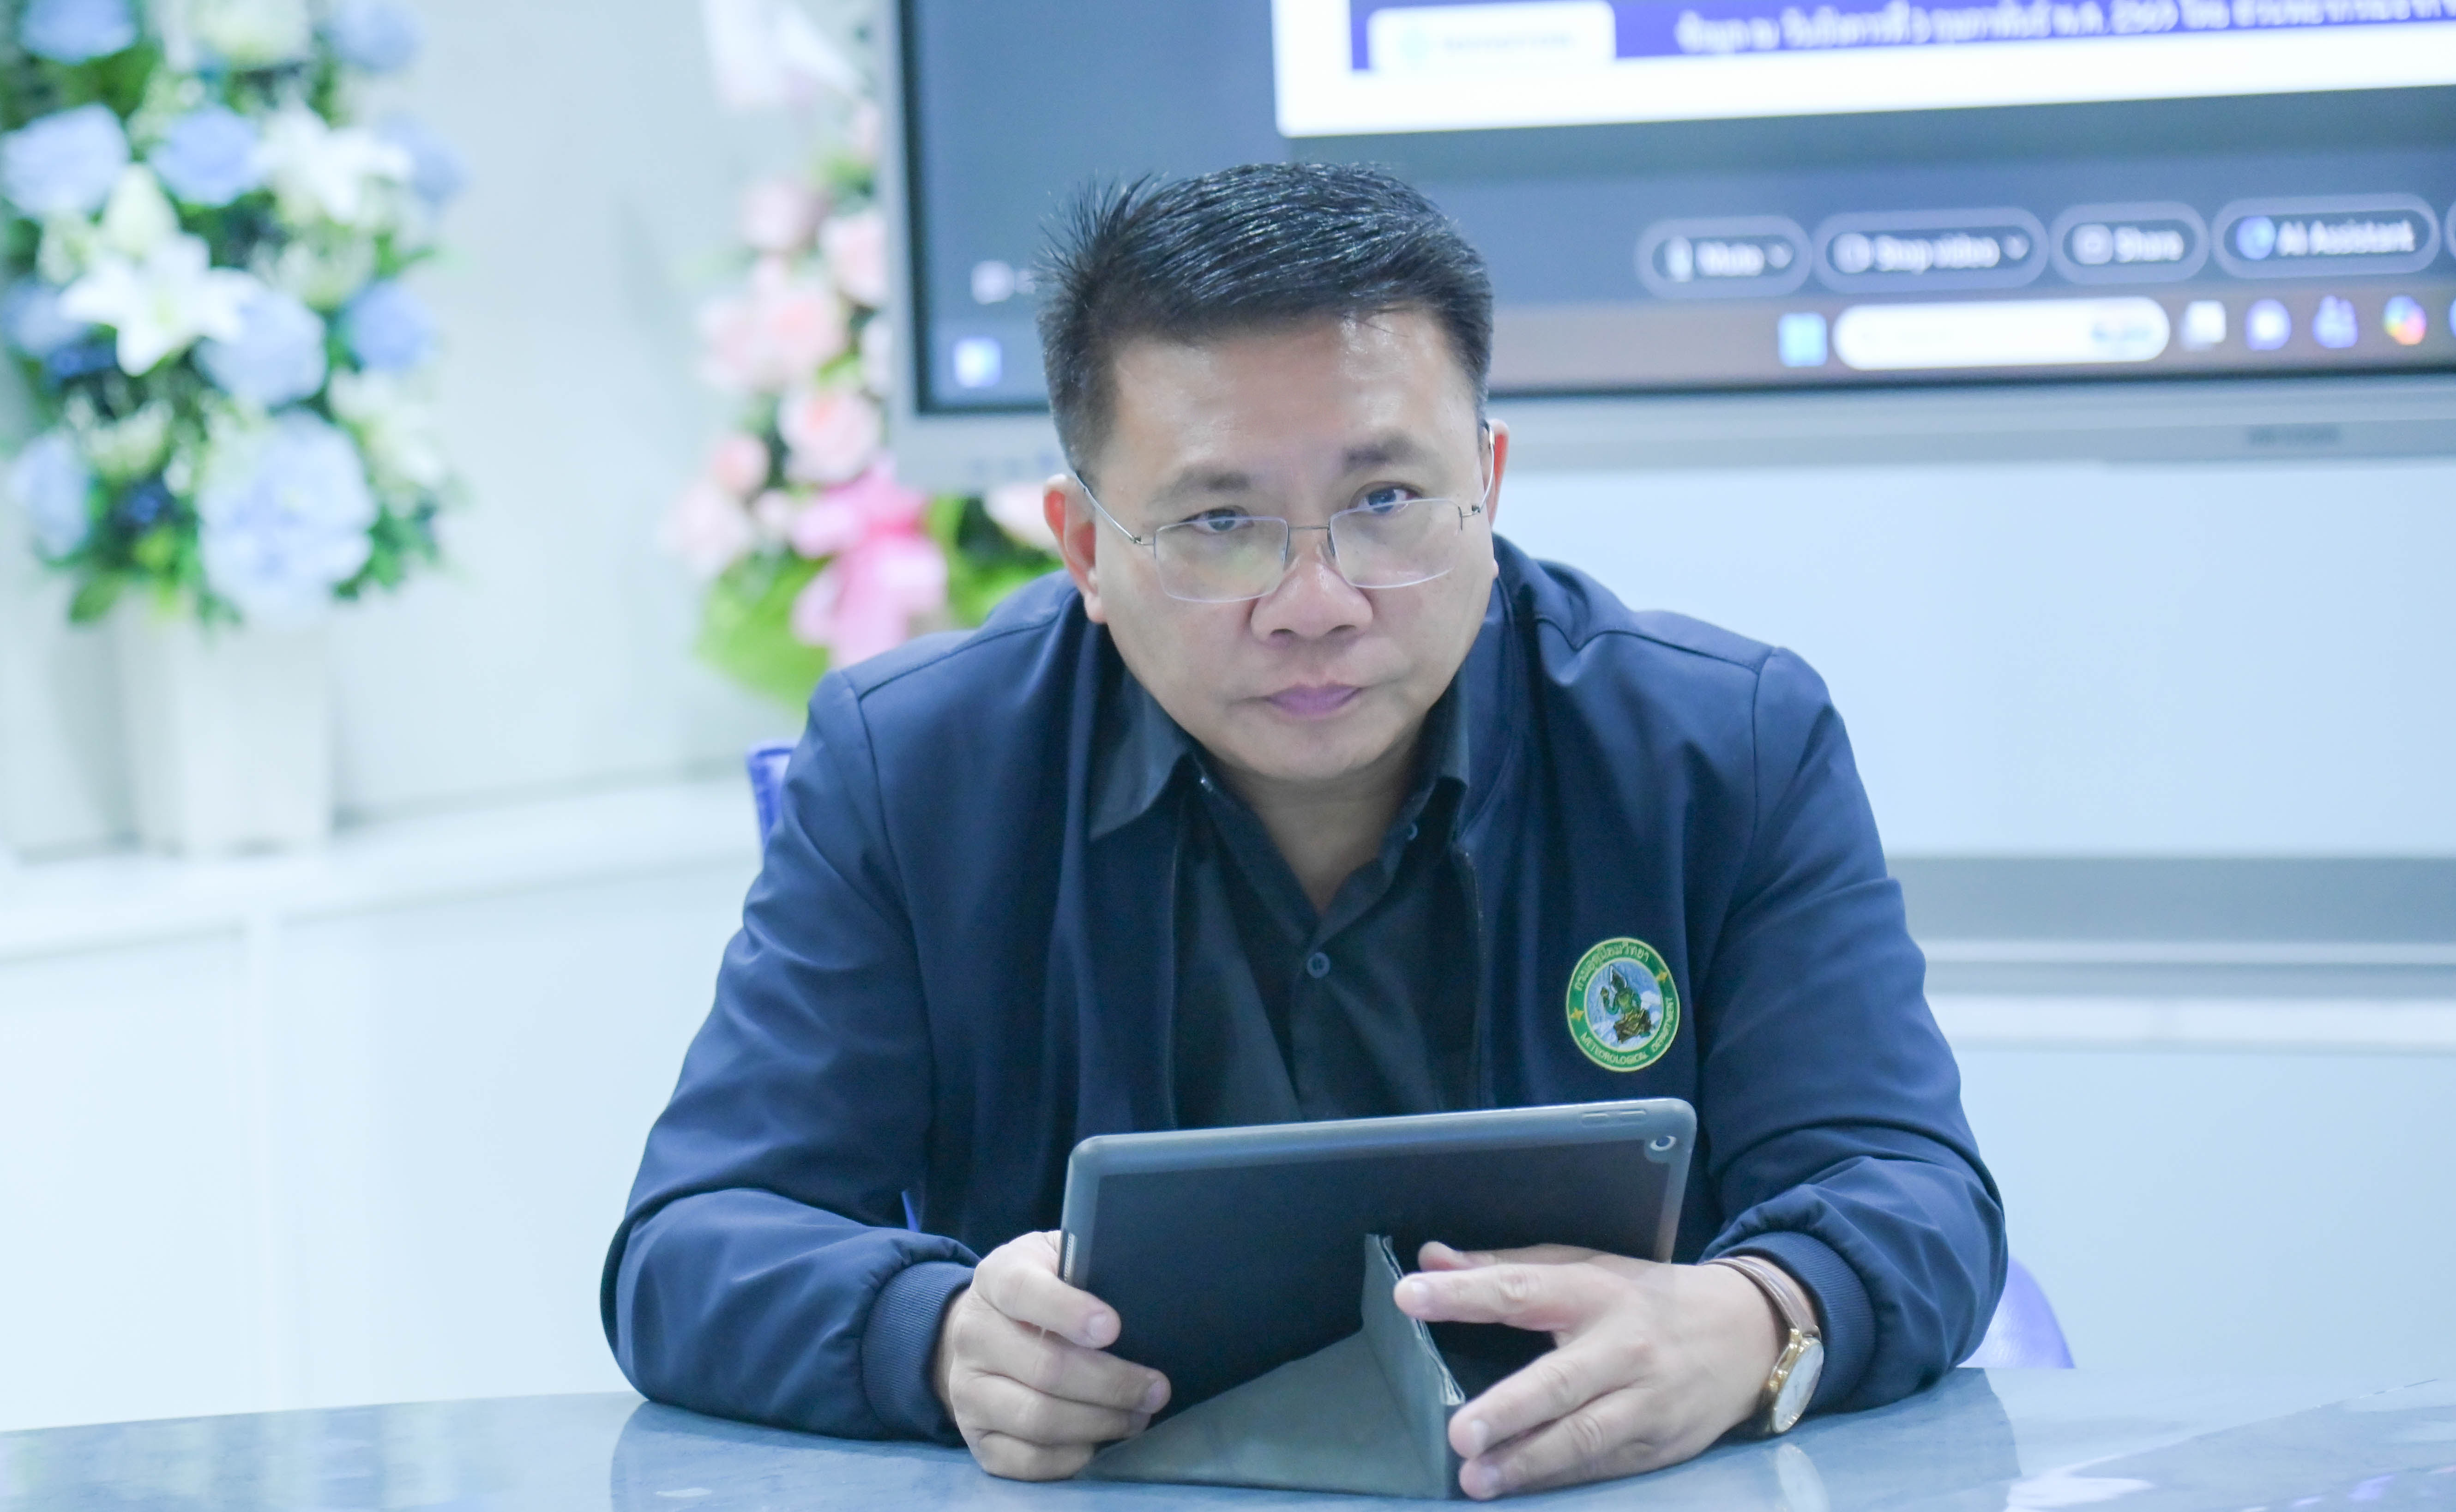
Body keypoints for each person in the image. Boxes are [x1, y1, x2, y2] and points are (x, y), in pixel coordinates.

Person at [604, 163, 2003, 1500]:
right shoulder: (918, 769)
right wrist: (937, 1336)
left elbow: (1912, 1188)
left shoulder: (1720, 748)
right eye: (1221, 521)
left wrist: (1759, 1318)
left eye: (1385, 503)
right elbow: (690, 1245)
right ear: (1086, 547)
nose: (1317, 602)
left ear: (1489, 482)